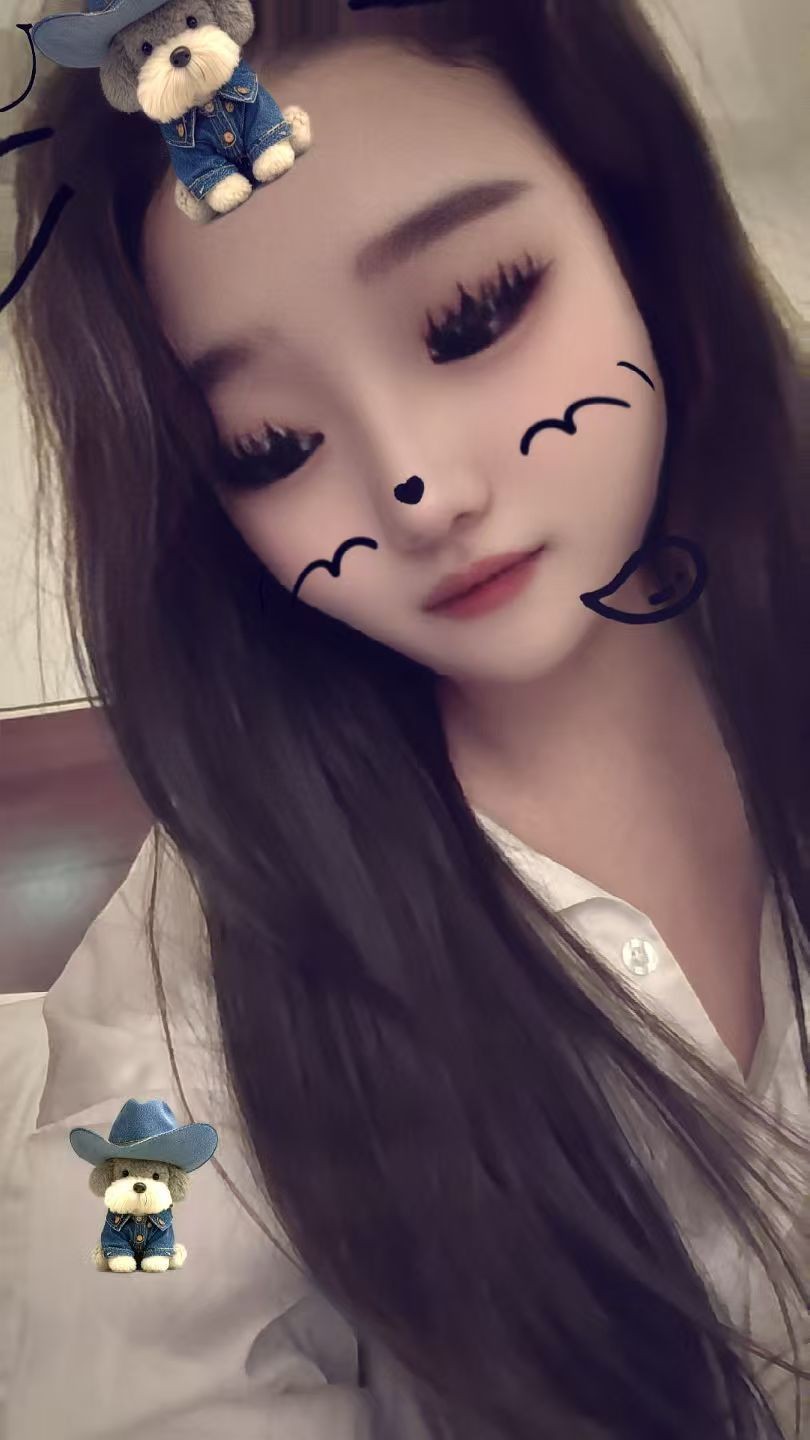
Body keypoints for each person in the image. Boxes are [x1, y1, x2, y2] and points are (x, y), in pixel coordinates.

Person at [8, 1, 809, 1437]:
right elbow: (127, 1308)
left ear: (636, 230)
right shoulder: (217, 927)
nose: (414, 487)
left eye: (474, 314)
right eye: (269, 446)